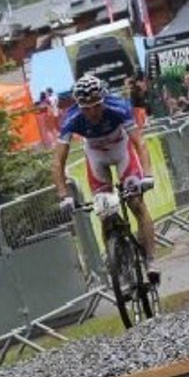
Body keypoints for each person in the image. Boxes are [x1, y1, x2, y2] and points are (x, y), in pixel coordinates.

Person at [53, 73, 158, 283]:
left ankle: (150, 260)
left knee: (136, 203)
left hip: (121, 150)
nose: (92, 112)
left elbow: (139, 143)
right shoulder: (71, 118)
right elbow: (58, 161)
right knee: (105, 213)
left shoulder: (118, 107)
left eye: (96, 105)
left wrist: (147, 175)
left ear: (104, 99)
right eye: (86, 108)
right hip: (96, 155)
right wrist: (63, 195)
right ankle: (117, 263)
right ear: (78, 106)